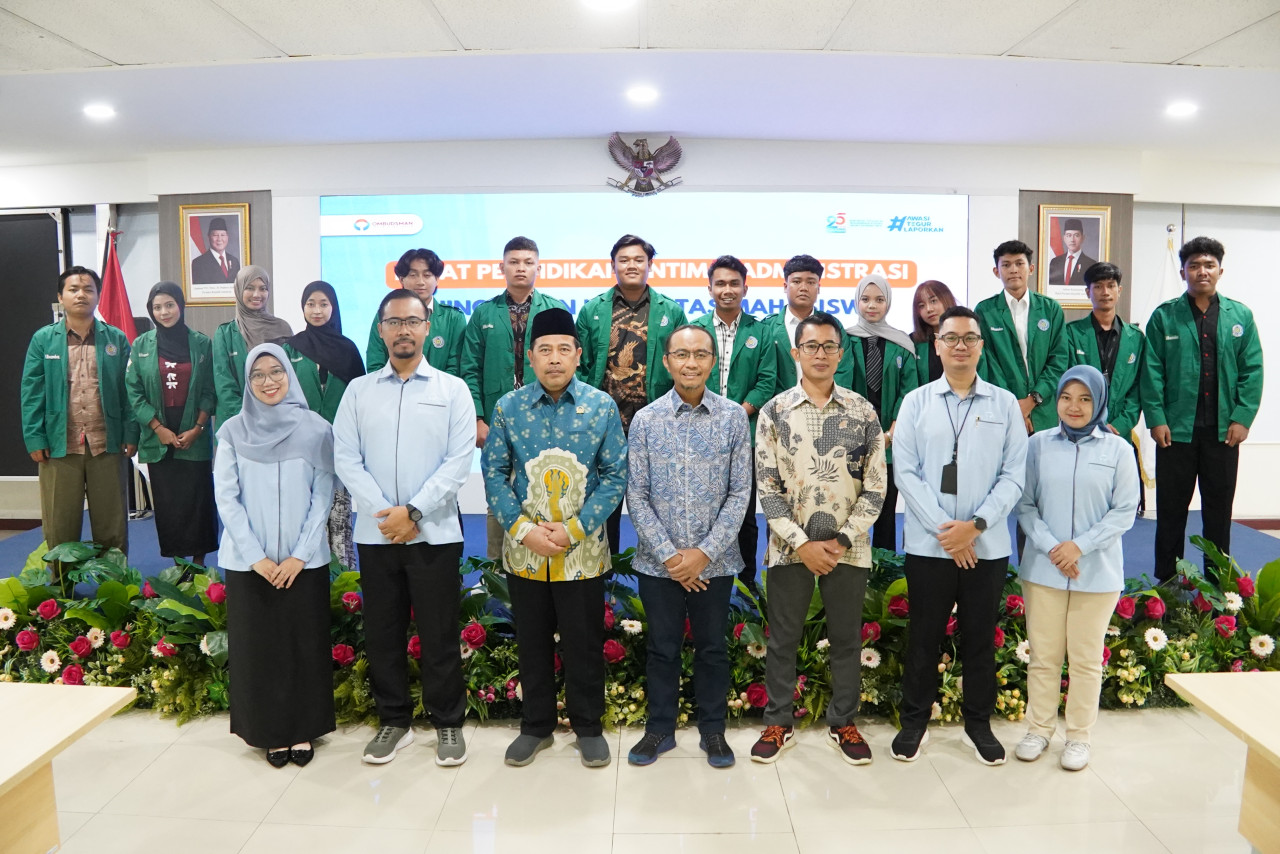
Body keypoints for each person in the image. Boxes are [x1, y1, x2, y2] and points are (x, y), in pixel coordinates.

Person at [334, 289, 475, 767]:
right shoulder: (359, 391)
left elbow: (458, 462)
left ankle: (448, 722)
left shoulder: (452, 390)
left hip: (434, 533)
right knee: (383, 632)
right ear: (380, 330)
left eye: (412, 321)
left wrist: (412, 512)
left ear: (427, 328)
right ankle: (394, 721)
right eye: (393, 322)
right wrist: (386, 515)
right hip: (377, 536)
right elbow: (345, 458)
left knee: (439, 633)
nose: (403, 331)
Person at [482, 307, 628, 768]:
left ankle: (589, 727)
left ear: (578, 355)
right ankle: (536, 726)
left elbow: (615, 476)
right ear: (530, 357)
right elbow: (493, 473)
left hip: (581, 551)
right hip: (526, 552)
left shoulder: (601, 406)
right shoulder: (508, 408)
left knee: (584, 642)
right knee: (532, 641)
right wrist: (524, 531)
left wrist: (573, 529)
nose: (554, 359)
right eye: (544, 350)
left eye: (564, 349)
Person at [891, 306, 1027, 765]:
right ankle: (914, 722)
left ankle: (978, 725)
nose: (960, 346)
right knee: (923, 636)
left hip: (985, 546)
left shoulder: (1004, 404)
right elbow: (906, 473)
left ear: (981, 346)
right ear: (937, 345)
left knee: (979, 637)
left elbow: (1014, 475)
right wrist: (946, 532)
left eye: (970, 338)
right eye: (951, 338)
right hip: (929, 546)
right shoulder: (916, 402)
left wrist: (975, 527)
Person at [750, 312, 886, 766]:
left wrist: (841, 541)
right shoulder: (774, 412)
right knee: (783, 639)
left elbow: (876, 487)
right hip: (789, 549)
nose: (821, 354)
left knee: (846, 639)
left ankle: (843, 722)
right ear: (796, 352)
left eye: (829, 346)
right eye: (811, 346)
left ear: (841, 355)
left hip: (850, 548)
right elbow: (767, 488)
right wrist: (802, 544)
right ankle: (778, 721)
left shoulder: (863, 412)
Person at [625, 324, 752, 768]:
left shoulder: (733, 418)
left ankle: (713, 730)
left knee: (712, 647)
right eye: (681, 354)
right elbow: (636, 494)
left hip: (714, 563)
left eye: (700, 354)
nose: (691, 363)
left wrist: (703, 554)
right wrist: (671, 556)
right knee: (662, 647)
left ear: (713, 361)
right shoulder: (646, 420)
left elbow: (740, 492)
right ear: (666, 361)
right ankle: (659, 729)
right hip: (658, 564)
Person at [213, 343, 336, 768]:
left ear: (290, 374)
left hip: (304, 562)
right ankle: (268, 731)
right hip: (251, 564)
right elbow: (226, 498)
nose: (268, 382)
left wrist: (300, 555)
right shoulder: (232, 431)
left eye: (276, 372)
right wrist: (256, 557)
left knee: (304, 644)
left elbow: (323, 496)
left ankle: (302, 728)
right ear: (248, 382)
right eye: (258, 375)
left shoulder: (317, 428)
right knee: (259, 649)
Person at [1014, 365, 1139, 771]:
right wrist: (1054, 548)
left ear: (1098, 402)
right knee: (1044, 657)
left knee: (1086, 660)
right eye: (1066, 397)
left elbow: (1124, 511)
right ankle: (1038, 729)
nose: (1074, 406)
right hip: (1044, 569)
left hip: (1095, 572)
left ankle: (1079, 737)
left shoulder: (1118, 450)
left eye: (1085, 398)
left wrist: (1079, 547)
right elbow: (1025, 504)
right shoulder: (1037, 445)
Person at [1142, 236, 1263, 582]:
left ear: (1220, 271)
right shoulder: (1165, 317)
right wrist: (1156, 419)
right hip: (1175, 433)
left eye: (1209, 265)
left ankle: (1218, 584)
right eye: (1194, 265)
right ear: (1183, 272)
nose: (1202, 271)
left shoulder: (1240, 316)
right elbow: (1152, 371)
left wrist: (1242, 418)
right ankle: (1168, 582)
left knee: (1218, 513)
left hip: (1223, 434)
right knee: (1171, 512)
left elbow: (1252, 370)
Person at [575, 235, 684, 555]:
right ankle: (603, 576)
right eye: (624, 260)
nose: (631, 265)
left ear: (650, 265)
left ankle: (660, 571)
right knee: (601, 505)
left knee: (658, 506)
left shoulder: (671, 311)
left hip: (656, 428)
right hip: (604, 428)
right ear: (613, 265)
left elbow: (683, 365)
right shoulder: (593, 310)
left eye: (639, 259)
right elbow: (579, 366)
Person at [460, 236, 567, 560]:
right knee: (498, 496)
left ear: (538, 268)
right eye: (514, 262)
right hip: (497, 420)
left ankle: (542, 564)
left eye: (528, 262)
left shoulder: (555, 310)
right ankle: (496, 570)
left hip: (546, 416)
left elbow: (567, 364)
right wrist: (478, 418)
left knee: (545, 493)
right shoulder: (483, 313)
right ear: (502, 267)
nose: (521, 268)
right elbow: (469, 368)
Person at [21, 266, 138, 559]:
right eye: (73, 289)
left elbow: (129, 391)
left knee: (111, 526)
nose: (81, 295)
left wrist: (131, 432)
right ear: (61, 297)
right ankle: (61, 584)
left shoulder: (116, 339)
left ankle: (113, 583)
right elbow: (32, 392)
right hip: (59, 445)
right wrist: (35, 438)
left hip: (107, 444)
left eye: (88, 289)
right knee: (60, 527)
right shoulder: (43, 340)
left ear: (97, 296)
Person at [690, 255, 777, 589]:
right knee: (702, 507)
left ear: (745, 288)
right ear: (710, 288)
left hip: (746, 434)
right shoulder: (694, 329)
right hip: (699, 430)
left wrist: (736, 415)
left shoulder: (761, 331)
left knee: (744, 511)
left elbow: (767, 381)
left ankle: (746, 582)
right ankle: (704, 574)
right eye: (721, 283)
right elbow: (686, 375)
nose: (727, 290)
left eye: (734, 283)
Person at [125, 282, 217, 566]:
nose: (164, 312)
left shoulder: (202, 343)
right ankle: (179, 566)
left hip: (194, 436)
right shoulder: (141, 345)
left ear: (181, 305)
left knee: (198, 502)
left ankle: (198, 565)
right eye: (157, 307)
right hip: (159, 439)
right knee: (169, 506)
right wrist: (158, 428)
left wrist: (198, 428)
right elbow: (134, 391)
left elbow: (210, 390)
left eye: (169, 305)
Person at [283, 281, 365, 571]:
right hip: (300, 447)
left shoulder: (348, 350)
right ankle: (308, 574)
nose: (316, 310)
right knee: (305, 515)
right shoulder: (290, 348)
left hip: (340, 447)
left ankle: (344, 582)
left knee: (339, 517)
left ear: (334, 307)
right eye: (310, 304)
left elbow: (360, 399)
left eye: (323, 304)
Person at [1065, 262, 1147, 514]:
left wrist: (1119, 425)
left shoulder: (1136, 337)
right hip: (1080, 432)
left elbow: (1138, 390)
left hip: (1118, 433)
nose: (1105, 292)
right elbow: (1067, 384)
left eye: (1111, 286)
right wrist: (1088, 423)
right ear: (1087, 292)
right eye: (1098, 286)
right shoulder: (1071, 333)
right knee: (1080, 505)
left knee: (1117, 506)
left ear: (1119, 290)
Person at [846, 274, 918, 553]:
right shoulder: (845, 340)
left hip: (891, 442)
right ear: (857, 302)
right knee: (851, 512)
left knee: (886, 513)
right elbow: (839, 388)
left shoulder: (902, 343)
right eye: (865, 299)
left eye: (879, 299)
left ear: (888, 302)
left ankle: (885, 571)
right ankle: (853, 569)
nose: (872, 305)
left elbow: (909, 394)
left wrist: (890, 434)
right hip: (851, 442)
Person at [975, 240, 1068, 435]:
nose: (1013, 270)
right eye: (1006, 265)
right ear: (996, 271)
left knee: (1043, 454)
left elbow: (1059, 360)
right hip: (1001, 410)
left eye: (1019, 263)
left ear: (1031, 268)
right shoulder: (985, 311)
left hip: (1043, 409)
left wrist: (1032, 400)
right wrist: (1014, 406)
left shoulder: (1050, 309)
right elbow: (988, 364)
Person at [366, 248, 465, 375]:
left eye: (427, 275)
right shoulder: (387, 314)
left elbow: (456, 367)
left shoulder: (453, 318)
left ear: (437, 279)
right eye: (413, 275)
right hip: (392, 386)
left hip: (442, 387)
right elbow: (375, 363)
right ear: (401, 279)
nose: (420, 282)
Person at [760, 254, 853, 389]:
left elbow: (843, 371)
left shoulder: (833, 326)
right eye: (797, 282)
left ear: (818, 288)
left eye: (810, 282)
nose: (803, 288)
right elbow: (762, 377)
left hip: (826, 401)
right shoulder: (767, 327)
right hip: (778, 401)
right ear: (785, 286)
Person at [212, 266, 292, 422]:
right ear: (239, 290)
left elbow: (290, 377)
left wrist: (276, 415)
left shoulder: (282, 329)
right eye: (249, 288)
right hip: (238, 420)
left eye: (263, 288)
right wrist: (247, 418)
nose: (257, 294)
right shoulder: (225, 334)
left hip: (277, 418)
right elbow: (224, 384)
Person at [910, 280, 958, 387]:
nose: (929, 309)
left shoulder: (965, 336)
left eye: (933, 301)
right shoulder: (913, 342)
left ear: (946, 299)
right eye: (921, 306)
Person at [1047, 219, 1097, 289]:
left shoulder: (1091, 264)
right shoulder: (1055, 262)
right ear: (1064, 238)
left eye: (1076, 235)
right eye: (1069, 235)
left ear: (1082, 238)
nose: (1072, 240)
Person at [190, 217, 240, 285]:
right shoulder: (198, 263)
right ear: (209, 237)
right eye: (215, 235)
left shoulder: (235, 262)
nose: (219, 239)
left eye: (223, 235)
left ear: (227, 237)